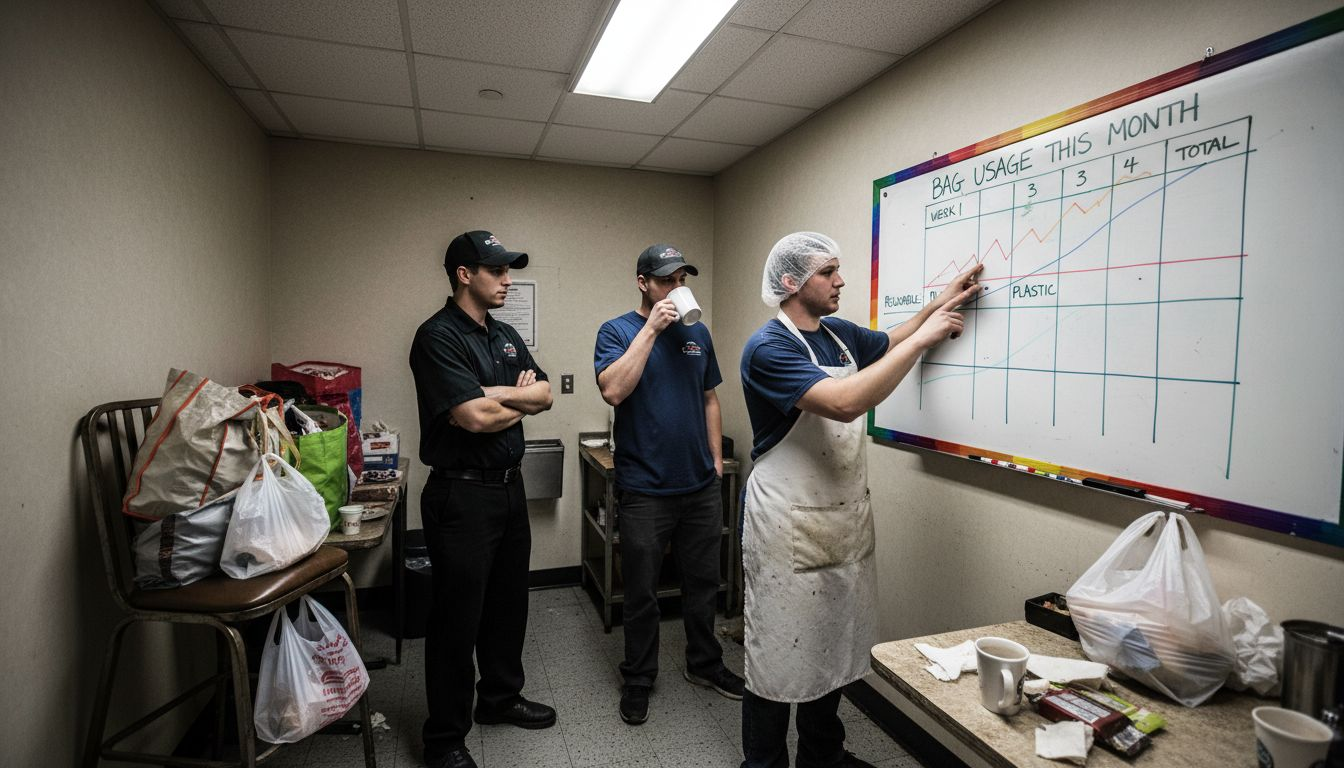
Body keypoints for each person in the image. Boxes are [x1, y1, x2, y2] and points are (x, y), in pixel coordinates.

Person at [737, 232, 983, 768]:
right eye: (828, 272)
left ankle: (822, 757)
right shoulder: (768, 348)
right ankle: (762, 763)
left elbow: (892, 339)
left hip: (841, 518)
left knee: (831, 645)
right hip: (786, 524)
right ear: (791, 282)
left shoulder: (839, 335)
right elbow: (844, 402)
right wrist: (924, 341)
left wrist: (939, 303)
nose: (840, 281)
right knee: (778, 654)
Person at [409, 230, 556, 768]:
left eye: (508, 270)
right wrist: (511, 399)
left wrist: (498, 395)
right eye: (497, 270)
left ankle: (499, 698)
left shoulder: (505, 334)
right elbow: (472, 418)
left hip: (509, 488)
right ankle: (445, 739)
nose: (507, 280)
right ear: (464, 274)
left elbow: (545, 394)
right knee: (456, 620)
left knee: (507, 606)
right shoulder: (437, 337)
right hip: (461, 494)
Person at [594, 243, 746, 725]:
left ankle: (704, 663)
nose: (676, 288)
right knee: (641, 592)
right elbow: (613, 390)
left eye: (682, 280)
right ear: (643, 283)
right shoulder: (617, 331)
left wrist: (716, 461)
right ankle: (639, 677)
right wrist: (652, 330)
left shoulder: (698, 332)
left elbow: (709, 398)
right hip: (644, 488)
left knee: (703, 585)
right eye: (666, 281)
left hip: (699, 487)